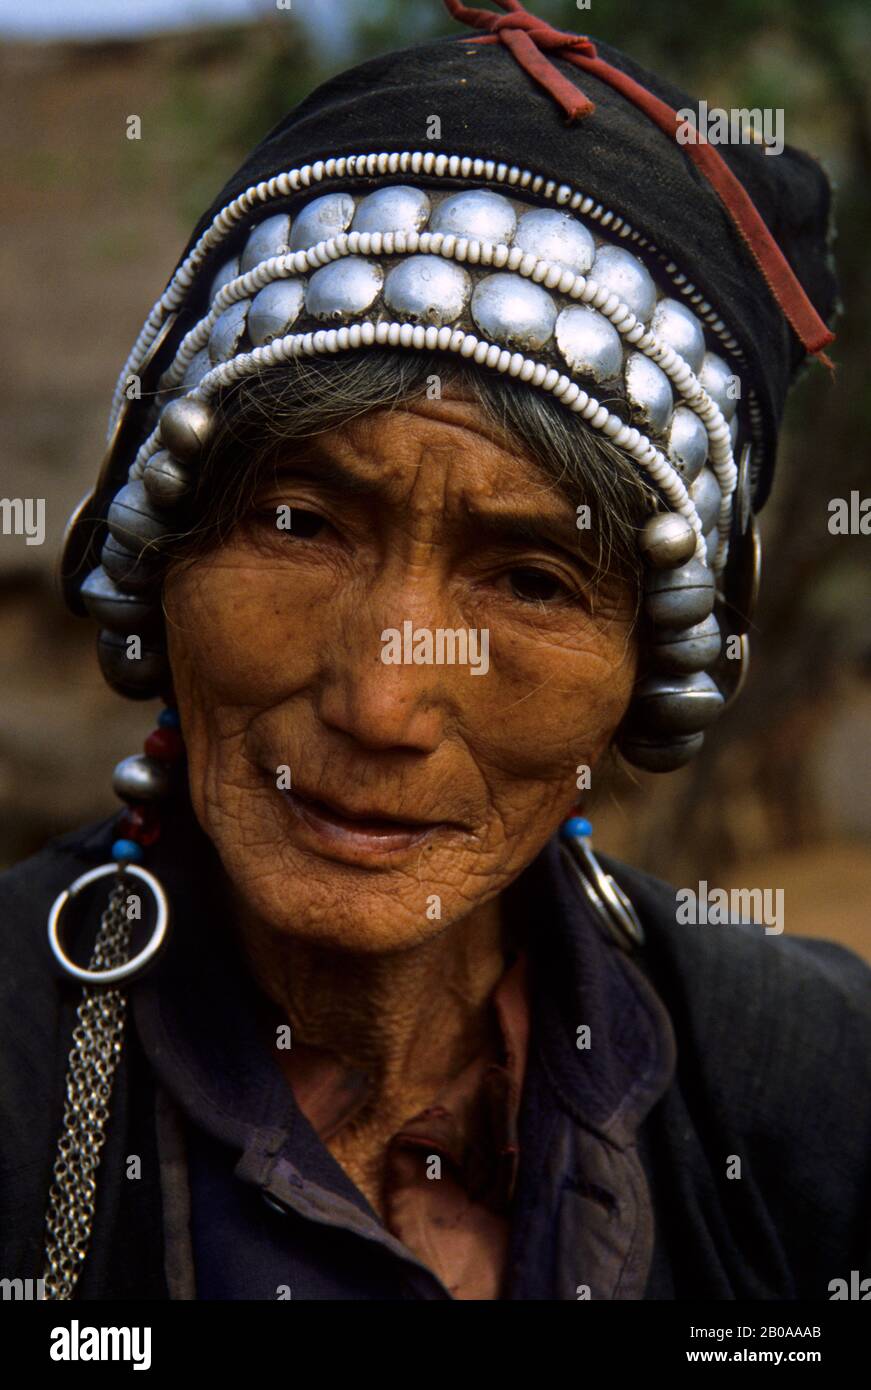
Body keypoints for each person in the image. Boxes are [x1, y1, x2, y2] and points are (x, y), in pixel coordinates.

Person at [2, 0, 869, 1302]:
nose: (383, 697)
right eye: (298, 524)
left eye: (530, 578)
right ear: (157, 553)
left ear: (651, 659)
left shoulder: (810, 1083)